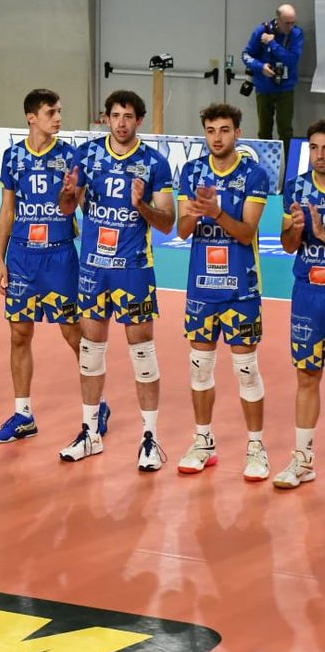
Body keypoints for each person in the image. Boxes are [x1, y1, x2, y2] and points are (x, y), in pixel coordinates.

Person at [58, 90, 174, 470]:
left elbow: (168, 222)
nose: (121, 123)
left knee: (142, 354)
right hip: (93, 269)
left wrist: (142, 206)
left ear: (139, 121)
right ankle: (90, 433)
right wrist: (67, 194)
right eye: (115, 116)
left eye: (128, 117)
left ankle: (150, 439)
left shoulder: (154, 163)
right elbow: (67, 208)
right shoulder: (87, 155)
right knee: (90, 352)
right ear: (105, 118)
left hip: (134, 270)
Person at [0, 88, 109, 444]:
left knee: (74, 335)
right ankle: (23, 414)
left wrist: (74, 193)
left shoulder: (71, 156)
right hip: (22, 257)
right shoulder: (13, 156)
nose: (58, 118)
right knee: (19, 334)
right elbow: (8, 210)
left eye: (59, 111)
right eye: (51, 112)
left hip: (60, 257)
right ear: (32, 117)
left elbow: (86, 207)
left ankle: (97, 406)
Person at [176, 103, 270, 481]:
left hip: (240, 289)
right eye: (211, 130)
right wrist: (195, 212)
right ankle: (203, 443)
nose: (217, 137)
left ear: (238, 133)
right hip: (201, 289)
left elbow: (247, 233)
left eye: (225, 130)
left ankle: (256, 448)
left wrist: (216, 213)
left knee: (246, 370)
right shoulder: (192, 171)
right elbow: (182, 231)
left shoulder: (254, 175)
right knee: (200, 369)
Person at [273, 118, 325, 489]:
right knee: (307, 376)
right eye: (315, 148)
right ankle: (303, 461)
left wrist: (323, 232)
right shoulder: (296, 187)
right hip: (308, 293)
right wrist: (295, 230)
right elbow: (288, 245)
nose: (320, 155)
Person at [241, 3, 304, 156]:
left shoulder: (296, 34)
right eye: (287, 23)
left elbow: (292, 60)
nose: (290, 26)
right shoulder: (261, 31)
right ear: (278, 19)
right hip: (264, 87)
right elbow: (246, 55)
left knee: (285, 130)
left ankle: (287, 165)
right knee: (264, 130)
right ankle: (265, 164)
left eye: (293, 22)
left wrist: (272, 43)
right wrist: (261, 67)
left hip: (285, 88)